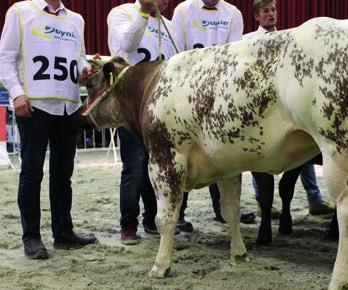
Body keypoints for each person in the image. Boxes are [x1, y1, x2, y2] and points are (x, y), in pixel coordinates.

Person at [0, 0, 97, 259]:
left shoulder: (76, 20)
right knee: (32, 172)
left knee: (63, 173)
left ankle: (63, 232)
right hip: (34, 105)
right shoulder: (20, 11)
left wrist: (85, 70)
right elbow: (6, 58)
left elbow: (78, 59)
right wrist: (17, 94)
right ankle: (31, 237)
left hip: (67, 105)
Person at [171, 0, 255, 231]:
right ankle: (178, 213)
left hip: (220, 95)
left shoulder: (233, 13)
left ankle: (223, 210)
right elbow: (177, 52)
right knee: (184, 153)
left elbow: (235, 56)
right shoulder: (183, 11)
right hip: (187, 93)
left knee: (221, 152)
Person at [244, 0, 333, 217]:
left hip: (286, 102)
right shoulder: (247, 41)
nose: (271, 14)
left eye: (273, 10)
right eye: (265, 11)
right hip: (262, 107)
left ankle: (314, 198)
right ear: (257, 16)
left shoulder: (289, 38)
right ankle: (262, 203)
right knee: (258, 156)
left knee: (302, 148)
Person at [107, 0, 179, 244]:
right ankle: (128, 224)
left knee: (158, 166)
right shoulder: (121, 13)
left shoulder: (170, 26)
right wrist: (144, 12)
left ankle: (152, 219)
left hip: (162, 108)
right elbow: (125, 45)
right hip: (132, 107)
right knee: (134, 167)